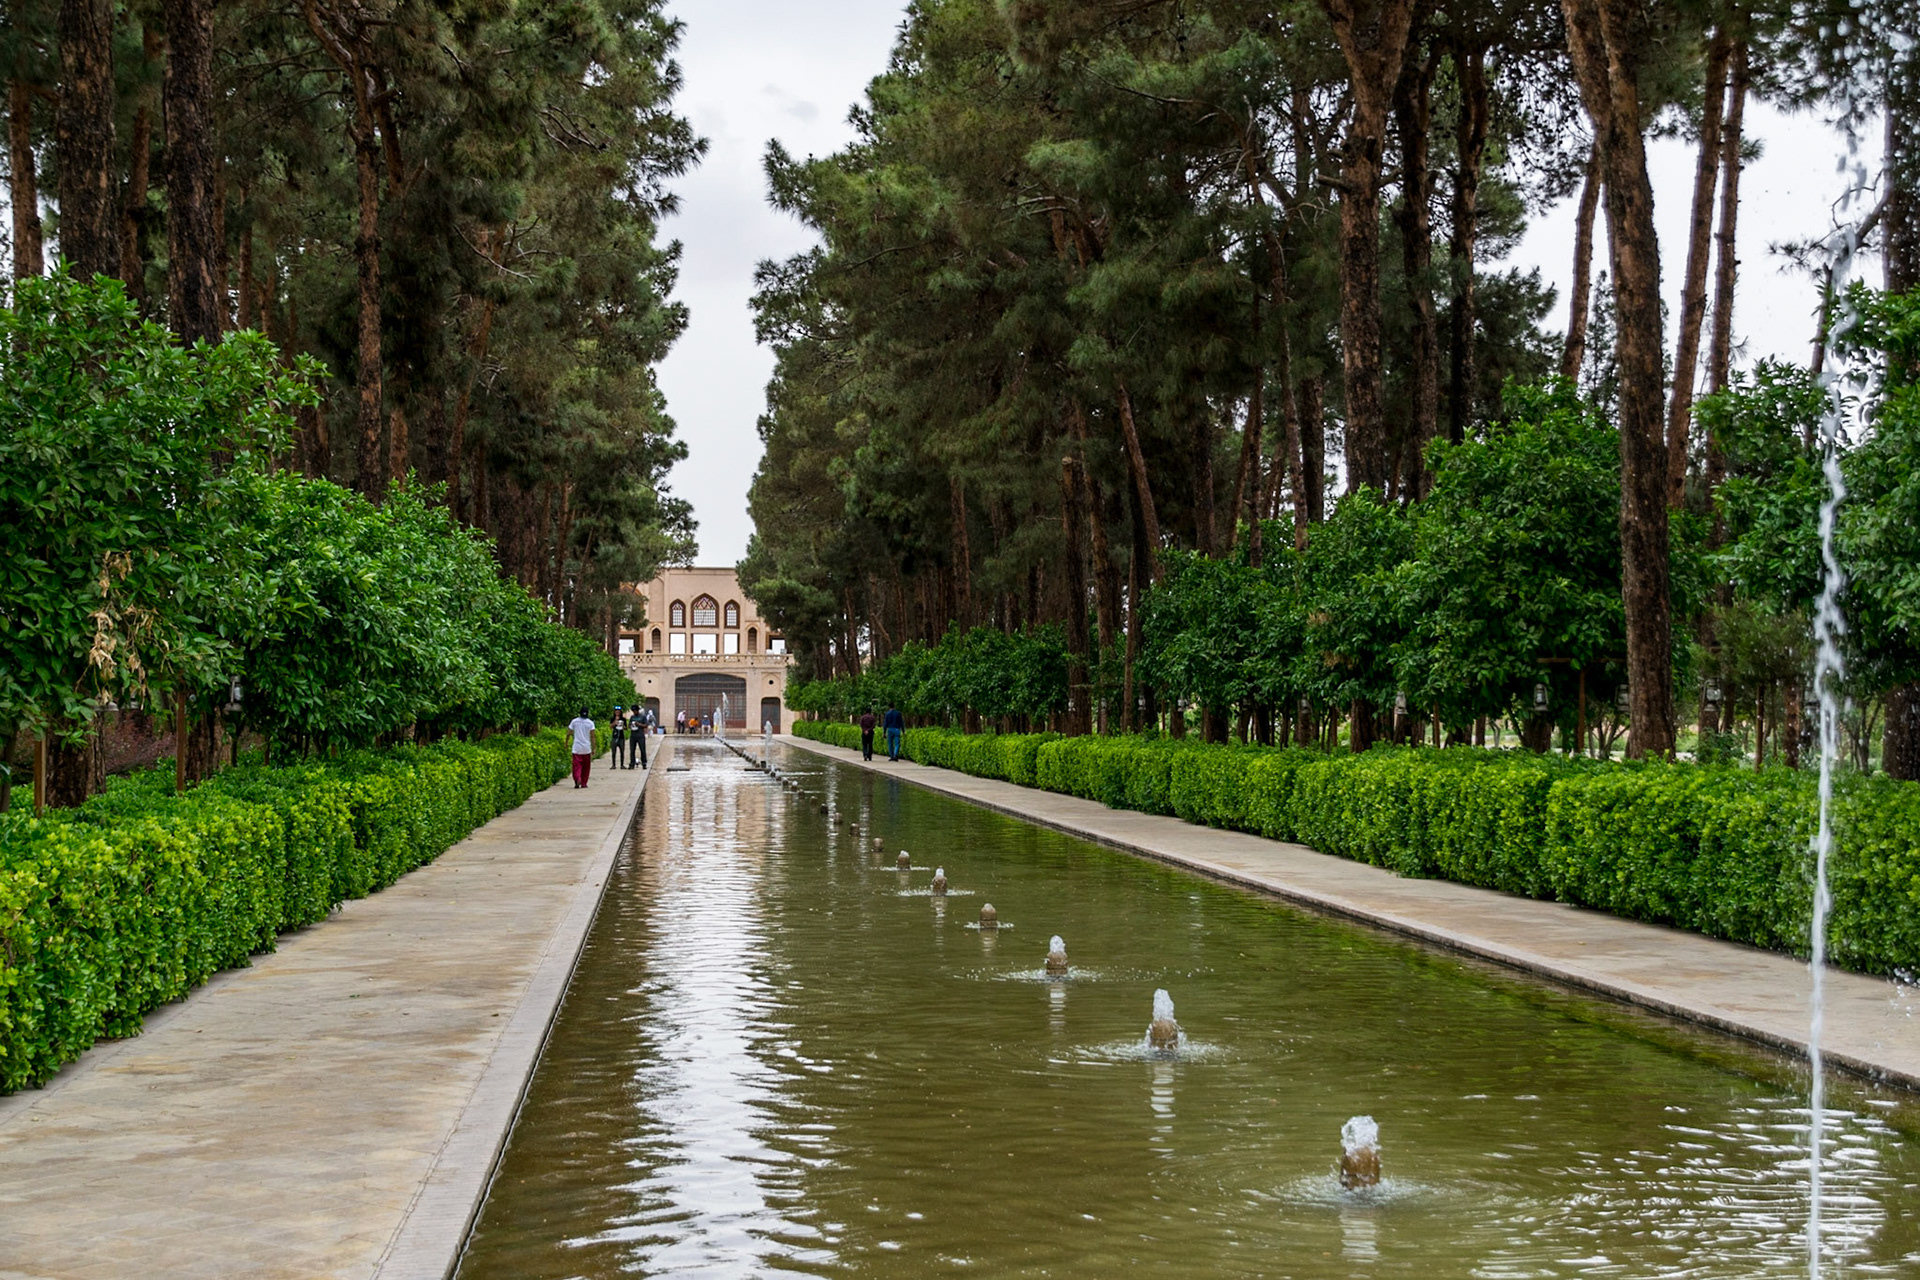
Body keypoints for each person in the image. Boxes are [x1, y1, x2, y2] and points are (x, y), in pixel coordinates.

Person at [568, 706, 596, 788]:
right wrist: (594, 747)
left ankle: (577, 778)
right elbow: (593, 736)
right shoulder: (590, 723)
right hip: (586, 748)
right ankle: (584, 783)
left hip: (577, 748)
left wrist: (566, 742)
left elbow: (568, 733)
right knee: (586, 767)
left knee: (576, 766)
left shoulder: (574, 721)